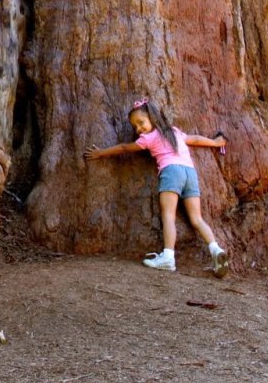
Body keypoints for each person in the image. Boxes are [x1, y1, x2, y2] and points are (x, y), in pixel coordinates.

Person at [85, 98, 229, 276]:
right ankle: (216, 249)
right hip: (190, 173)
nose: (138, 129)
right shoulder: (174, 131)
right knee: (197, 218)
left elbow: (124, 148)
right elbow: (194, 139)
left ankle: (168, 257)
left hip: (171, 171)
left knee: (168, 215)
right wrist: (216, 143)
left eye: (141, 122)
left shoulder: (149, 138)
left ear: (152, 118)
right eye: (135, 126)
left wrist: (101, 153)